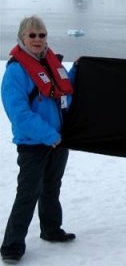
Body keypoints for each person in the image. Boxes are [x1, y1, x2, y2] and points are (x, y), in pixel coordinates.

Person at [1, 16, 77, 264]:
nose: (37, 39)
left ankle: (51, 230)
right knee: (28, 193)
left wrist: (78, 69)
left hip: (58, 141)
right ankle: (12, 246)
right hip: (34, 144)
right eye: (32, 35)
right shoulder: (16, 71)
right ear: (22, 38)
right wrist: (49, 135)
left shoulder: (51, 63)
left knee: (51, 189)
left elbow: (65, 90)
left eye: (41, 35)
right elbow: (19, 115)